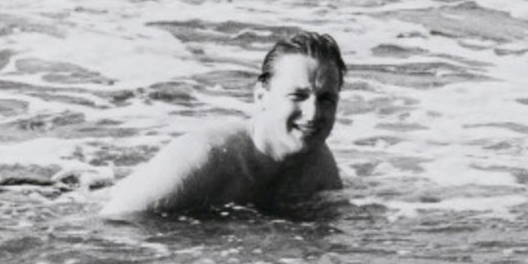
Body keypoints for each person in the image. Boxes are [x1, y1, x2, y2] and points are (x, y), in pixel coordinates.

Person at [100, 31, 346, 218]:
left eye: (326, 99)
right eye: (298, 96)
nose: (313, 113)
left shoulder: (317, 166)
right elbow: (113, 221)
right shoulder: (206, 158)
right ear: (261, 96)